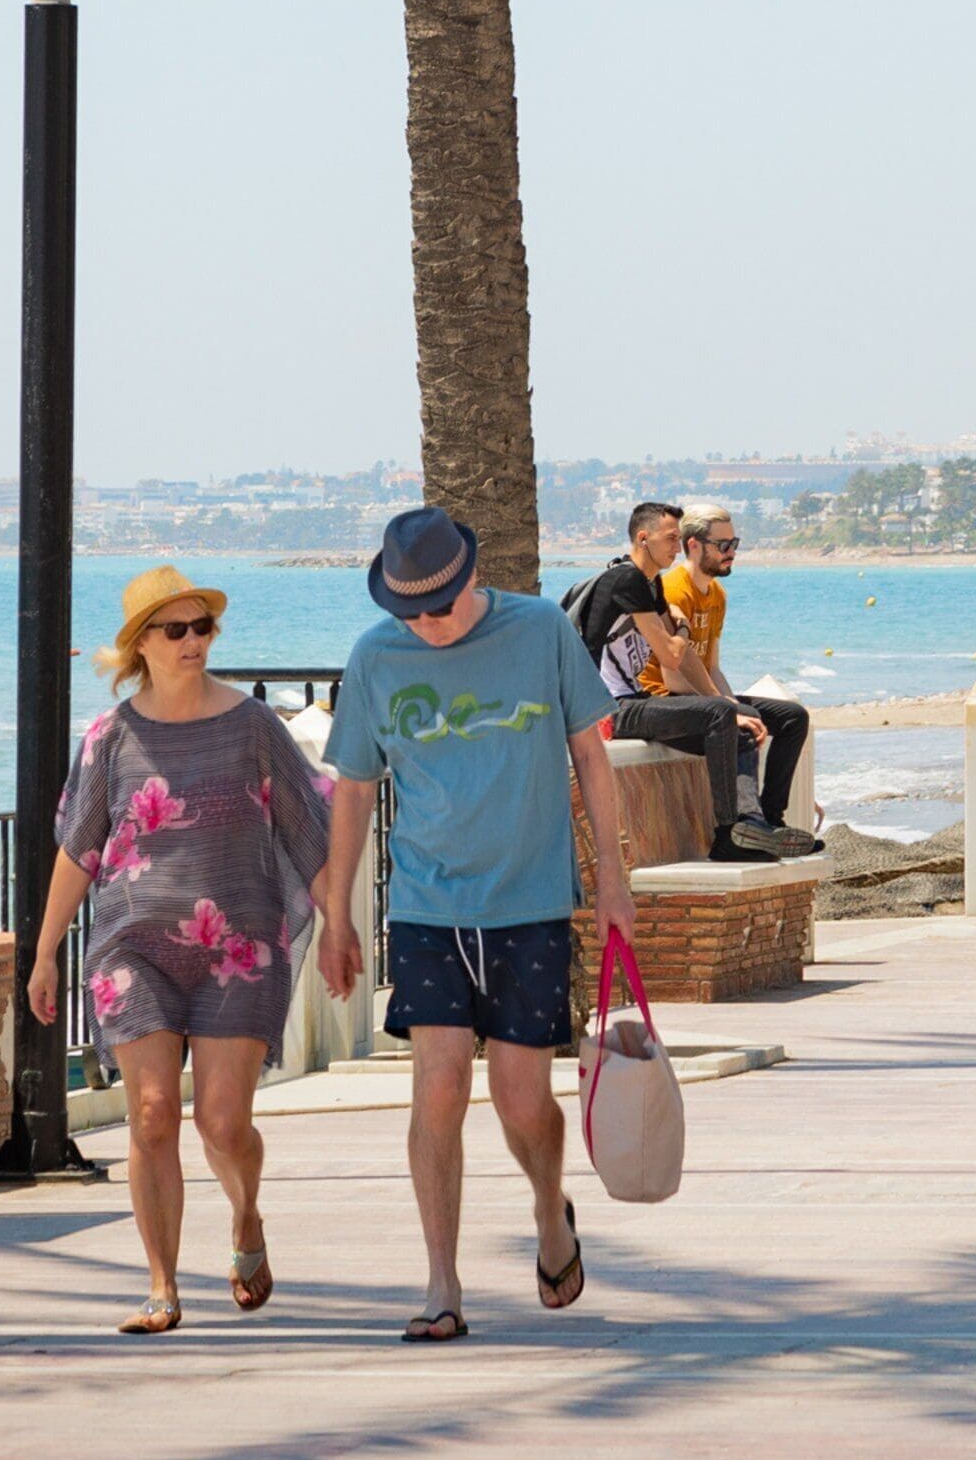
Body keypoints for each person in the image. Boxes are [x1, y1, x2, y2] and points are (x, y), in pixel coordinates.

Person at [313, 508, 633, 1344]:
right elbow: (351, 789)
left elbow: (591, 755)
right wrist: (337, 914)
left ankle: (548, 1208)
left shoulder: (538, 631)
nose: (427, 622)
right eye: (411, 609)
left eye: (441, 604)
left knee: (524, 1101)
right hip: (426, 906)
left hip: (529, 903)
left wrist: (614, 883)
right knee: (440, 1087)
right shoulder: (377, 656)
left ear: (471, 579)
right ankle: (442, 1281)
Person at [27, 566, 335, 1335]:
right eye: (177, 630)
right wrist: (43, 954)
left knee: (223, 1124)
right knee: (154, 1114)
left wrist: (344, 930)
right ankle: (162, 1286)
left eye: (204, 629)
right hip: (132, 948)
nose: (194, 642)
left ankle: (246, 1216)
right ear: (142, 645)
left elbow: (306, 832)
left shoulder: (252, 726)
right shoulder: (110, 738)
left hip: (238, 947)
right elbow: (77, 851)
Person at [569, 503, 817, 861]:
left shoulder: (650, 585)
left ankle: (758, 828)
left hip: (633, 701)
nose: (676, 545)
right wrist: (682, 625)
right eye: (671, 538)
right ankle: (728, 834)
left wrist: (728, 706)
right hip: (610, 709)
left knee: (744, 723)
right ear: (643, 538)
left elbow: (687, 657)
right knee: (721, 714)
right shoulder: (627, 580)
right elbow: (671, 656)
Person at [642, 506, 817, 849]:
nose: (732, 552)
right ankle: (748, 823)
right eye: (723, 545)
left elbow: (712, 668)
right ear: (694, 546)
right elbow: (674, 679)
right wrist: (728, 710)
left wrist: (730, 701)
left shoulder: (716, 595)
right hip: (666, 698)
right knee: (743, 721)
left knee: (793, 718)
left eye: (734, 542)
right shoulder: (674, 591)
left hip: (702, 695)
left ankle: (771, 821)